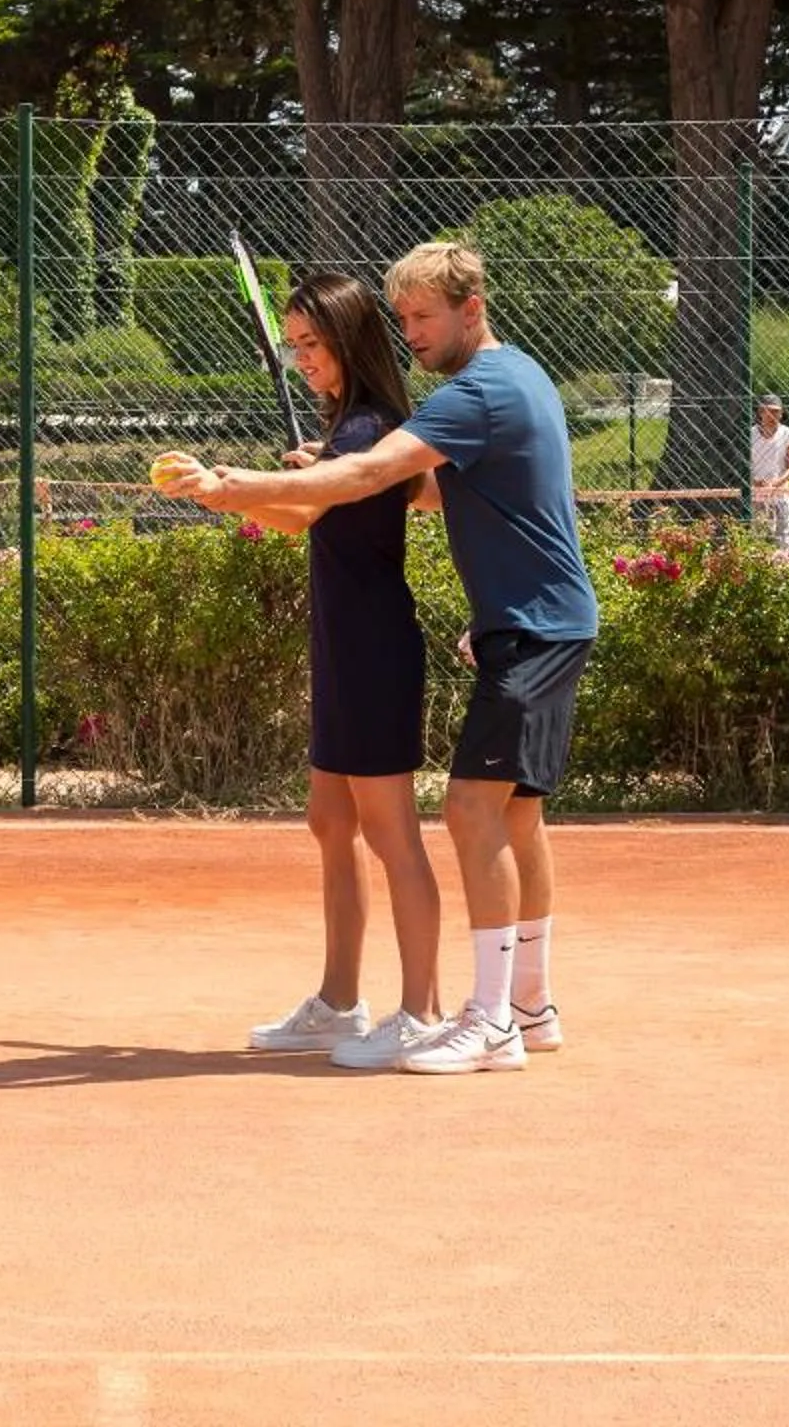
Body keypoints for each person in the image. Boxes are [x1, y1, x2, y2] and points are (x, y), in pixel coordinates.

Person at [157, 242, 596, 1075]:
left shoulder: (477, 391)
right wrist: (313, 479)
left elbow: (375, 473)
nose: (413, 334)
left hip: (526, 627)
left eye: (424, 316)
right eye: (404, 319)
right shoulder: (520, 379)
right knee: (512, 816)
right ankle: (528, 1007)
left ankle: (486, 1019)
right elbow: (424, 489)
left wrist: (235, 486)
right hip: (530, 621)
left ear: (475, 308)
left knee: (470, 812)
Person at [158, 274, 445, 1071]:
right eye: (294, 346)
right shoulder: (350, 431)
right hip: (343, 645)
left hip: (375, 648)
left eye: (312, 344)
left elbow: (307, 506)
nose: (302, 358)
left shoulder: (371, 427)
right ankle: (340, 1003)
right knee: (331, 821)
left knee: (393, 835)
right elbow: (304, 514)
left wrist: (230, 490)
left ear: (349, 340)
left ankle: (421, 1012)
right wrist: (224, 496)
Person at [751, 395, 789, 551]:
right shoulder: (749, 434)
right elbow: (744, 464)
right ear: (761, 413)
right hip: (757, 490)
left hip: (780, 489)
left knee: (783, 536)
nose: (773, 415)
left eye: (777, 412)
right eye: (769, 411)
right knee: (759, 535)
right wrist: (755, 481)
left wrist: (775, 484)